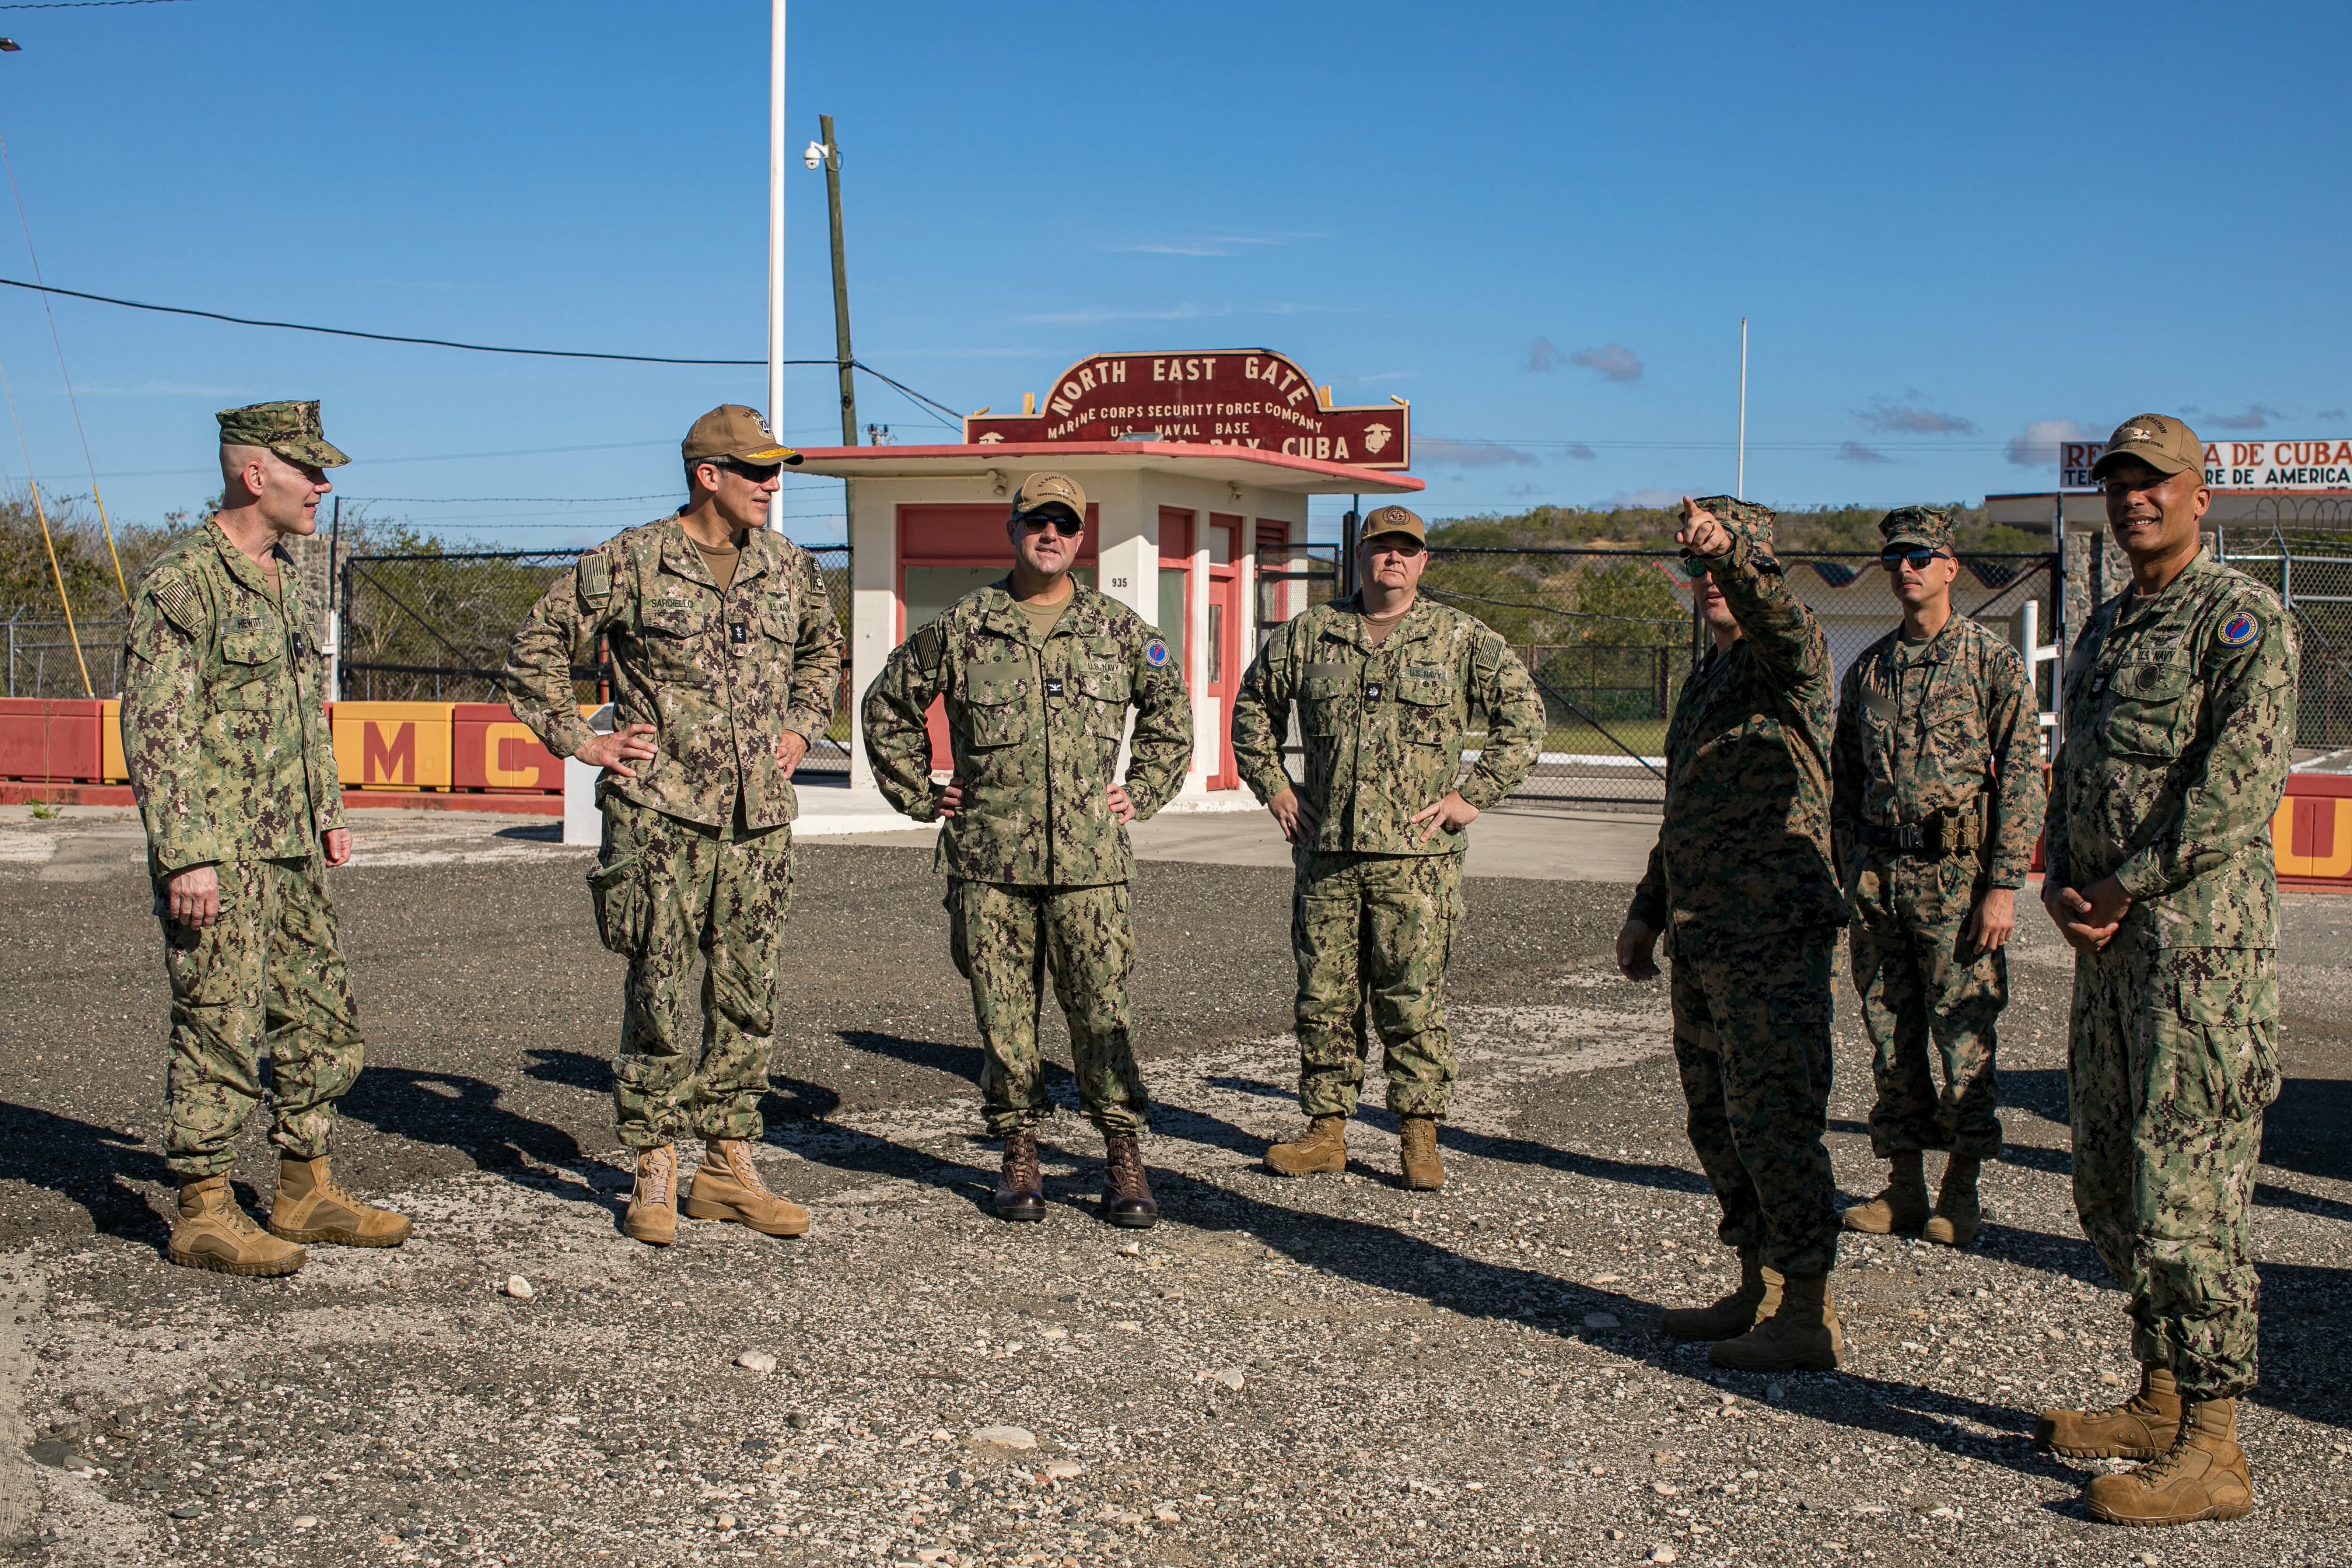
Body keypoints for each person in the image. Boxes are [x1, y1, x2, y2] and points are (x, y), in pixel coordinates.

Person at [2032, 414, 2295, 1528]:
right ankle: (2160, 1389)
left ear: (2202, 492)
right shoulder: (2105, 625)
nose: (2132, 498)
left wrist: (2129, 879)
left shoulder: (2240, 621)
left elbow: (2240, 782)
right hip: (2108, 943)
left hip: (2197, 951)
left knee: (2186, 1189)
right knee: (2108, 1176)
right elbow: (2077, 759)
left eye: (2154, 482)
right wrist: (2055, 870)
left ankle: (2214, 1448)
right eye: (2118, 483)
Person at [504, 406, 839, 1246]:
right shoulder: (634, 561)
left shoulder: (790, 567)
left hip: (757, 817)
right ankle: (653, 1162)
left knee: (747, 993)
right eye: (757, 470)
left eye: (777, 470)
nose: (773, 484)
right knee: (656, 988)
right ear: (708, 476)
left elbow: (822, 651)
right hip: (661, 816)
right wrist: (584, 740)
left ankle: (727, 1166)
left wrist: (801, 723)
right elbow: (536, 645)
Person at [121, 400, 410, 1276]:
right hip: (219, 850)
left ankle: (304, 1187)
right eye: (309, 471)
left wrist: (328, 811)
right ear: (257, 476)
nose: (324, 486)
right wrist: (187, 853)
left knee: (316, 1011)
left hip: (287, 844)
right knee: (217, 1017)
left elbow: (302, 714)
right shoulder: (185, 580)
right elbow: (156, 728)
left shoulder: (292, 578)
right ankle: (204, 1207)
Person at [861, 472, 1191, 1226]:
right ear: (1013, 531)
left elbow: (1171, 710)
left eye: (1065, 524)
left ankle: (1121, 1152)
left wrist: (1142, 787)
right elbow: (887, 706)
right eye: (1037, 521)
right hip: (990, 864)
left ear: (1081, 538)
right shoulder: (966, 625)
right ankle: (1019, 1152)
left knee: (1103, 1011)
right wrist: (920, 790)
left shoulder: (1117, 629)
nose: (1051, 534)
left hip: (1090, 868)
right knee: (1004, 1018)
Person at [1231, 504, 1543, 1191]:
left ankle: (1418, 1134)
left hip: (1418, 863)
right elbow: (1252, 709)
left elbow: (1525, 718)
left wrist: (1472, 797)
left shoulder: (1459, 638)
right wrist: (1277, 790)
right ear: (1361, 556)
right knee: (1325, 997)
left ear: (1424, 561)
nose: (1392, 559)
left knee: (1413, 998)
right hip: (1329, 856)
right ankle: (1327, 1129)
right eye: (1381, 547)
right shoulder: (1312, 633)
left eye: (1406, 549)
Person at [1616, 495, 1846, 1371]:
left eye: (1731, 564)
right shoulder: (1707, 678)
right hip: (1704, 933)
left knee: (1777, 1118)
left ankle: (1806, 1307)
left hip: (1775, 935)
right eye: (1703, 567)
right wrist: (1648, 906)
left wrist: (1734, 550)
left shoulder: (1790, 654)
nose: (1715, 582)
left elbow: (1776, 613)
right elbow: (1688, 812)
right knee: (1715, 1117)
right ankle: (1758, 1280)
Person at [1832, 506, 2044, 1248]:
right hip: (1881, 881)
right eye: (1896, 557)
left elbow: (2021, 773)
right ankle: (1903, 1186)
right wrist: (1849, 872)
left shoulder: (1989, 661)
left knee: (1964, 1038)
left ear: (1951, 565)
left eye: (1921, 556)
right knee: (1891, 1038)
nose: (1907, 569)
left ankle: (1962, 1188)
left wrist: (2004, 884)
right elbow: (1847, 779)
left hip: (1958, 882)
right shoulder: (1872, 668)